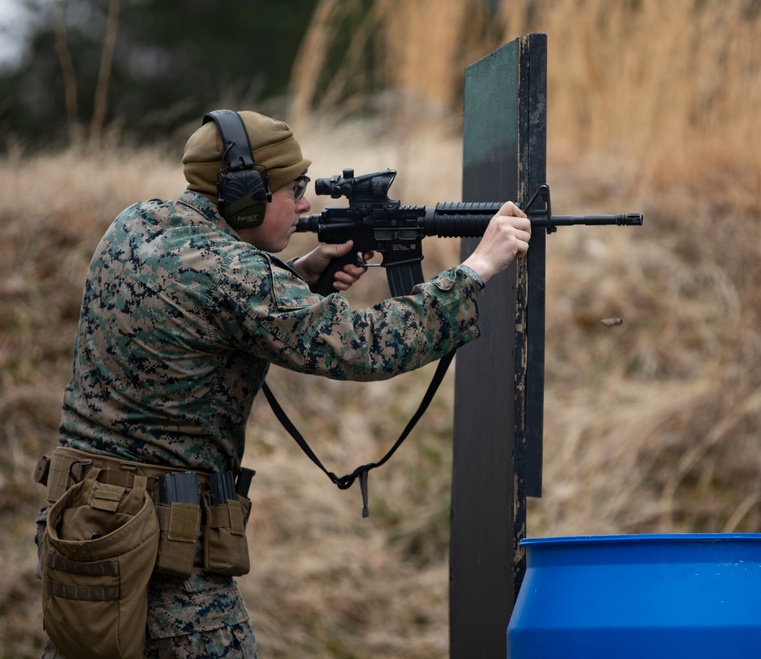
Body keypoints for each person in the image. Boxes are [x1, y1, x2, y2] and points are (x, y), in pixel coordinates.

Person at [34, 110, 530, 658]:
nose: (306, 204)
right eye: (292, 189)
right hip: (163, 556)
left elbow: (204, 308)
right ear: (245, 195)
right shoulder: (234, 273)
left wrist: (297, 276)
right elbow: (365, 345)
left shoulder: (139, 223)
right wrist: (478, 268)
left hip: (84, 534)